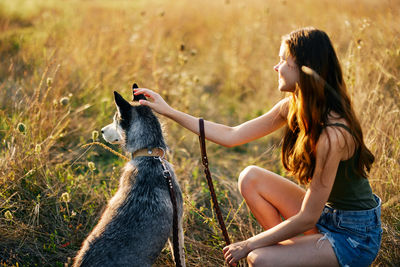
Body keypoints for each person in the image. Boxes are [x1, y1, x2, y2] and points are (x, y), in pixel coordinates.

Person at [133, 27, 382, 267]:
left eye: (283, 60)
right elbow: (232, 135)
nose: (276, 66)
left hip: (353, 237)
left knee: (259, 259)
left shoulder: (333, 134)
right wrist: (168, 110)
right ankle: (294, 254)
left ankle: (289, 256)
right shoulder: (293, 107)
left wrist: (249, 244)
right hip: (326, 214)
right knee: (250, 177)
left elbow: (308, 216)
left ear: (305, 68)